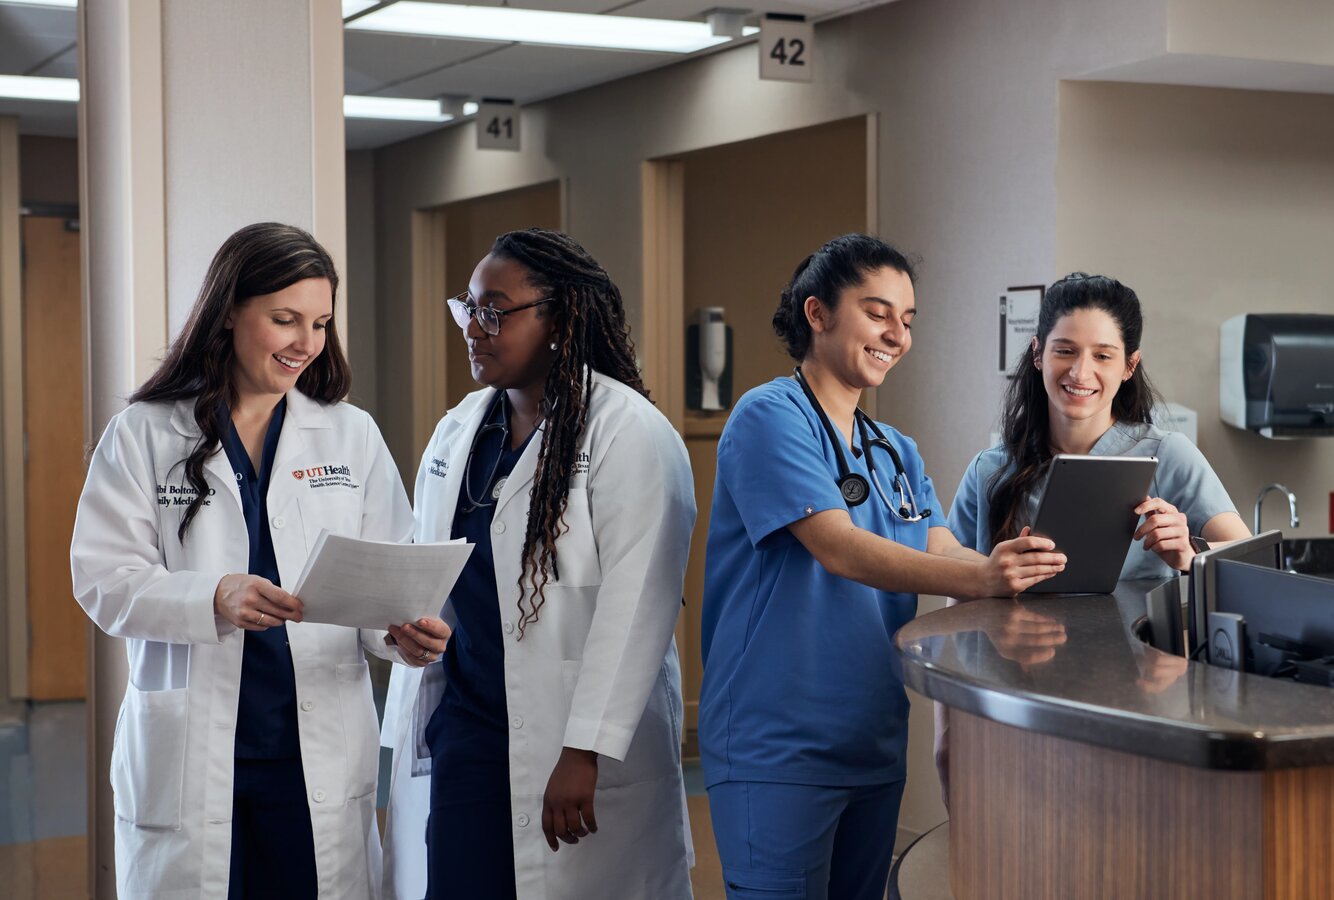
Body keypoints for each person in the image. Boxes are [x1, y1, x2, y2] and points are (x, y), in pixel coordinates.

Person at [70, 222, 450, 900]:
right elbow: (103, 580)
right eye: (285, 319)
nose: (307, 342)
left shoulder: (349, 435)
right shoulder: (144, 434)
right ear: (230, 312)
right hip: (192, 750)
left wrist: (402, 635)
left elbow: (392, 576)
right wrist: (211, 597)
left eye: (321, 322)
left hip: (315, 754)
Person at [698, 233, 1067, 900]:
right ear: (818, 314)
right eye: (876, 312)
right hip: (777, 743)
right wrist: (981, 578)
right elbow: (837, 545)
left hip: (869, 735)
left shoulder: (893, 448)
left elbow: (937, 543)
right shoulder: (769, 417)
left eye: (907, 319)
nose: (896, 334)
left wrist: (1002, 563)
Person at [381, 228, 697, 899]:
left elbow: (639, 602)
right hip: (469, 721)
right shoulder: (461, 429)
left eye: (495, 311)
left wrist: (585, 748)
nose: (474, 328)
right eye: (468, 309)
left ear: (559, 318)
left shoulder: (630, 433)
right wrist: (406, 625)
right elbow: (430, 561)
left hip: (572, 734)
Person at [948, 271, 1251, 575]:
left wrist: (1191, 552)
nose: (1080, 373)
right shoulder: (987, 470)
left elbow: (1249, 557)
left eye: (1103, 356)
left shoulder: (1168, 455)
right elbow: (958, 597)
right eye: (1065, 351)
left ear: (1129, 365)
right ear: (1038, 353)